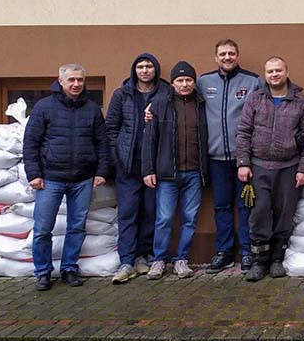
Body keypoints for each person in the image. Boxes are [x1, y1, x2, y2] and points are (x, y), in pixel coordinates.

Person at [22, 64, 111, 291]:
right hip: (50, 179)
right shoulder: (44, 107)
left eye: (80, 80)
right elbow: (30, 143)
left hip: (82, 179)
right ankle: (42, 272)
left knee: (77, 226)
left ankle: (69, 268)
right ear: (60, 81)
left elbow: (102, 144)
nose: (76, 84)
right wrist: (34, 174)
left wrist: (101, 172)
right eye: (71, 80)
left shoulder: (92, 109)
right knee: (43, 228)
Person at [235, 56, 304, 281]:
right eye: (270, 71)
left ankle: (277, 259)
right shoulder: (255, 99)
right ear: (265, 74)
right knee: (259, 213)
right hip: (259, 166)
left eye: (278, 70)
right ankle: (260, 262)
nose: (274, 75)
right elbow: (243, 132)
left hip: (289, 167)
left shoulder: (301, 101)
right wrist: (243, 163)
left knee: (284, 213)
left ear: (286, 72)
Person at [197, 39, 262, 273]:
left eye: (231, 53)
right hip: (215, 159)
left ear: (238, 55)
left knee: (246, 206)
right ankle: (224, 252)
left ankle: (246, 252)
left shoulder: (253, 81)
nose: (227, 57)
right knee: (221, 206)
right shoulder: (203, 82)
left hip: (243, 159)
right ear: (216, 57)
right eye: (222, 54)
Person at [106, 53, 170, 284]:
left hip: (155, 166)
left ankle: (145, 255)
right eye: (140, 67)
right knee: (128, 213)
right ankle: (127, 260)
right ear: (134, 70)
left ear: (156, 69)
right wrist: (117, 158)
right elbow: (111, 128)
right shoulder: (122, 94)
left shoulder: (166, 92)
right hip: (128, 166)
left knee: (151, 212)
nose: (144, 70)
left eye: (149, 66)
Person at [142, 61, 208, 280]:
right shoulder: (159, 104)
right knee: (164, 218)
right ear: (172, 83)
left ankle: (182, 259)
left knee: (190, 218)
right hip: (167, 174)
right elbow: (150, 140)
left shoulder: (201, 103)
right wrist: (148, 169)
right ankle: (159, 260)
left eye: (189, 80)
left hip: (194, 173)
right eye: (180, 80)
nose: (184, 84)